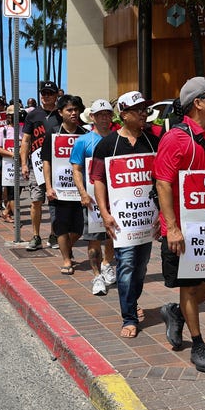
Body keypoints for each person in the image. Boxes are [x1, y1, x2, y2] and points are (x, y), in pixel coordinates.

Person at [155, 76, 205, 373]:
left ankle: (176, 312)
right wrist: (172, 228)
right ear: (198, 103)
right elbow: (163, 183)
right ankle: (198, 343)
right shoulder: (176, 137)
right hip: (184, 229)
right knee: (187, 285)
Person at [92, 91, 160, 338]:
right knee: (127, 265)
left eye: (145, 108)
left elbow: (162, 179)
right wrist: (104, 212)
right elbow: (98, 178)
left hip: (147, 220)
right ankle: (128, 317)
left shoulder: (153, 141)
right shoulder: (108, 144)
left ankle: (132, 300)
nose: (144, 113)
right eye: (138, 109)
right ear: (123, 114)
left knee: (140, 267)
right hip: (121, 221)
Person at [71, 99, 118, 295]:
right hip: (91, 198)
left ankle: (107, 263)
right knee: (93, 240)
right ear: (93, 117)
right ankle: (97, 275)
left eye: (107, 114)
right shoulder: (83, 141)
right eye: (100, 114)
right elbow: (76, 168)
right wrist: (82, 193)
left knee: (113, 236)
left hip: (115, 197)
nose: (104, 117)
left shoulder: (118, 138)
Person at [43, 95, 87, 275]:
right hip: (58, 190)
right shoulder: (53, 133)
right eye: (69, 110)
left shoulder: (85, 134)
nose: (73, 113)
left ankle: (66, 247)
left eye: (76, 109)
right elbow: (46, 161)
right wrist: (48, 187)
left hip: (80, 191)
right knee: (61, 225)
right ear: (60, 113)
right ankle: (66, 259)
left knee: (78, 228)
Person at [22, 81, 62, 251]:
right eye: (43, 93)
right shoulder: (33, 115)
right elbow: (25, 140)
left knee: (56, 202)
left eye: (50, 93)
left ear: (56, 95)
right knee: (36, 201)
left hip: (57, 165)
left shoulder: (61, 114)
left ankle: (54, 234)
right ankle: (36, 236)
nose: (46, 96)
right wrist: (24, 164)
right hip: (37, 166)